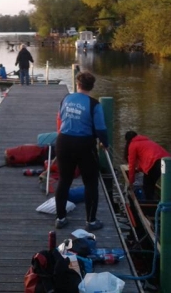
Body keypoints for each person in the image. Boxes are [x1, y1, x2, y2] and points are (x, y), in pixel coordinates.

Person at [54, 72, 109, 231]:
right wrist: (105, 143)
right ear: (91, 87)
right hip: (84, 144)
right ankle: (90, 221)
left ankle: (61, 218)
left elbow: (60, 118)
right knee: (91, 183)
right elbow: (100, 128)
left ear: (78, 85)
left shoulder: (66, 99)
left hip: (63, 141)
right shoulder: (94, 104)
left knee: (64, 180)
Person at [124, 131, 171, 201]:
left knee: (147, 185)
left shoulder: (133, 144)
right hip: (168, 162)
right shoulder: (147, 141)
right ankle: (162, 202)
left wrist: (131, 182)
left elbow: (132, 165)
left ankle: (149, 206)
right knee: (152, 183)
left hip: (155, 163)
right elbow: (145, 156)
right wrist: (140, 168)